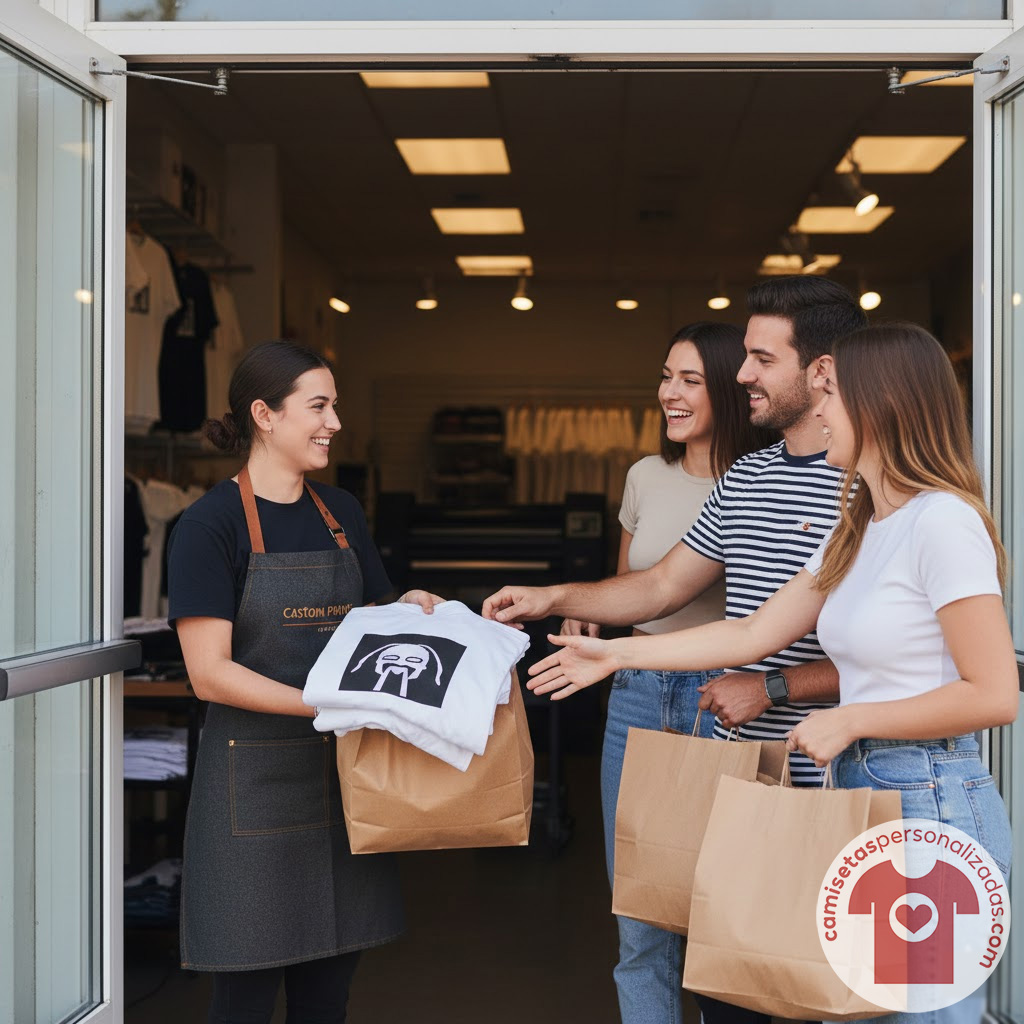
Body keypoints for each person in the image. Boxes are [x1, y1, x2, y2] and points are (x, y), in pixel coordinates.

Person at [528, 322, 1016, 1024]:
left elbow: (994, 694)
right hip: (862, 788)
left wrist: (850, 718)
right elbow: (751, 633)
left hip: (929, 800)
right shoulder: (860, 526)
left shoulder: (942, 522)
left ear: (880, 405)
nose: (820, 410)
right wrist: (615, 654)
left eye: (832, 395)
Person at [484, 274, 868, 1024]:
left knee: (817, 986)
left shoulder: (871, 486)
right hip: (739, 761)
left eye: (762, 359)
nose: (743, 374)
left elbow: (898, 654)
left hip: (833, 772)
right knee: (726, 979)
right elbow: (663, 586)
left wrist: (774, 687)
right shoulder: (749, 477)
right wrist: (554, 597)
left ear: (822, 370)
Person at [167, 340, 441, 1024]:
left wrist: (407, 609)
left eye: (334, 406)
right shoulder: (209, 525)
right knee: (245, 998)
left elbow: (369, 622)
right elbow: (209, 673)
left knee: (328, 995)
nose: (334, 423)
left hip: (345, 783)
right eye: (319, 406)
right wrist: (327, 705)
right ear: (265, 414)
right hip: (250, 792)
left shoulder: (340, 512)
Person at [560, 321, 773, 1024]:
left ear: (731, 389)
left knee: (723, 917)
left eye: (690, 380)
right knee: (641, 918)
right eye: (665, 377)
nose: (669, 394)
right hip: (639, 694)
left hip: (729, 697)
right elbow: (637, 587)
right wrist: (586, 614)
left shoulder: (767, 481)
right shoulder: (644, 477)